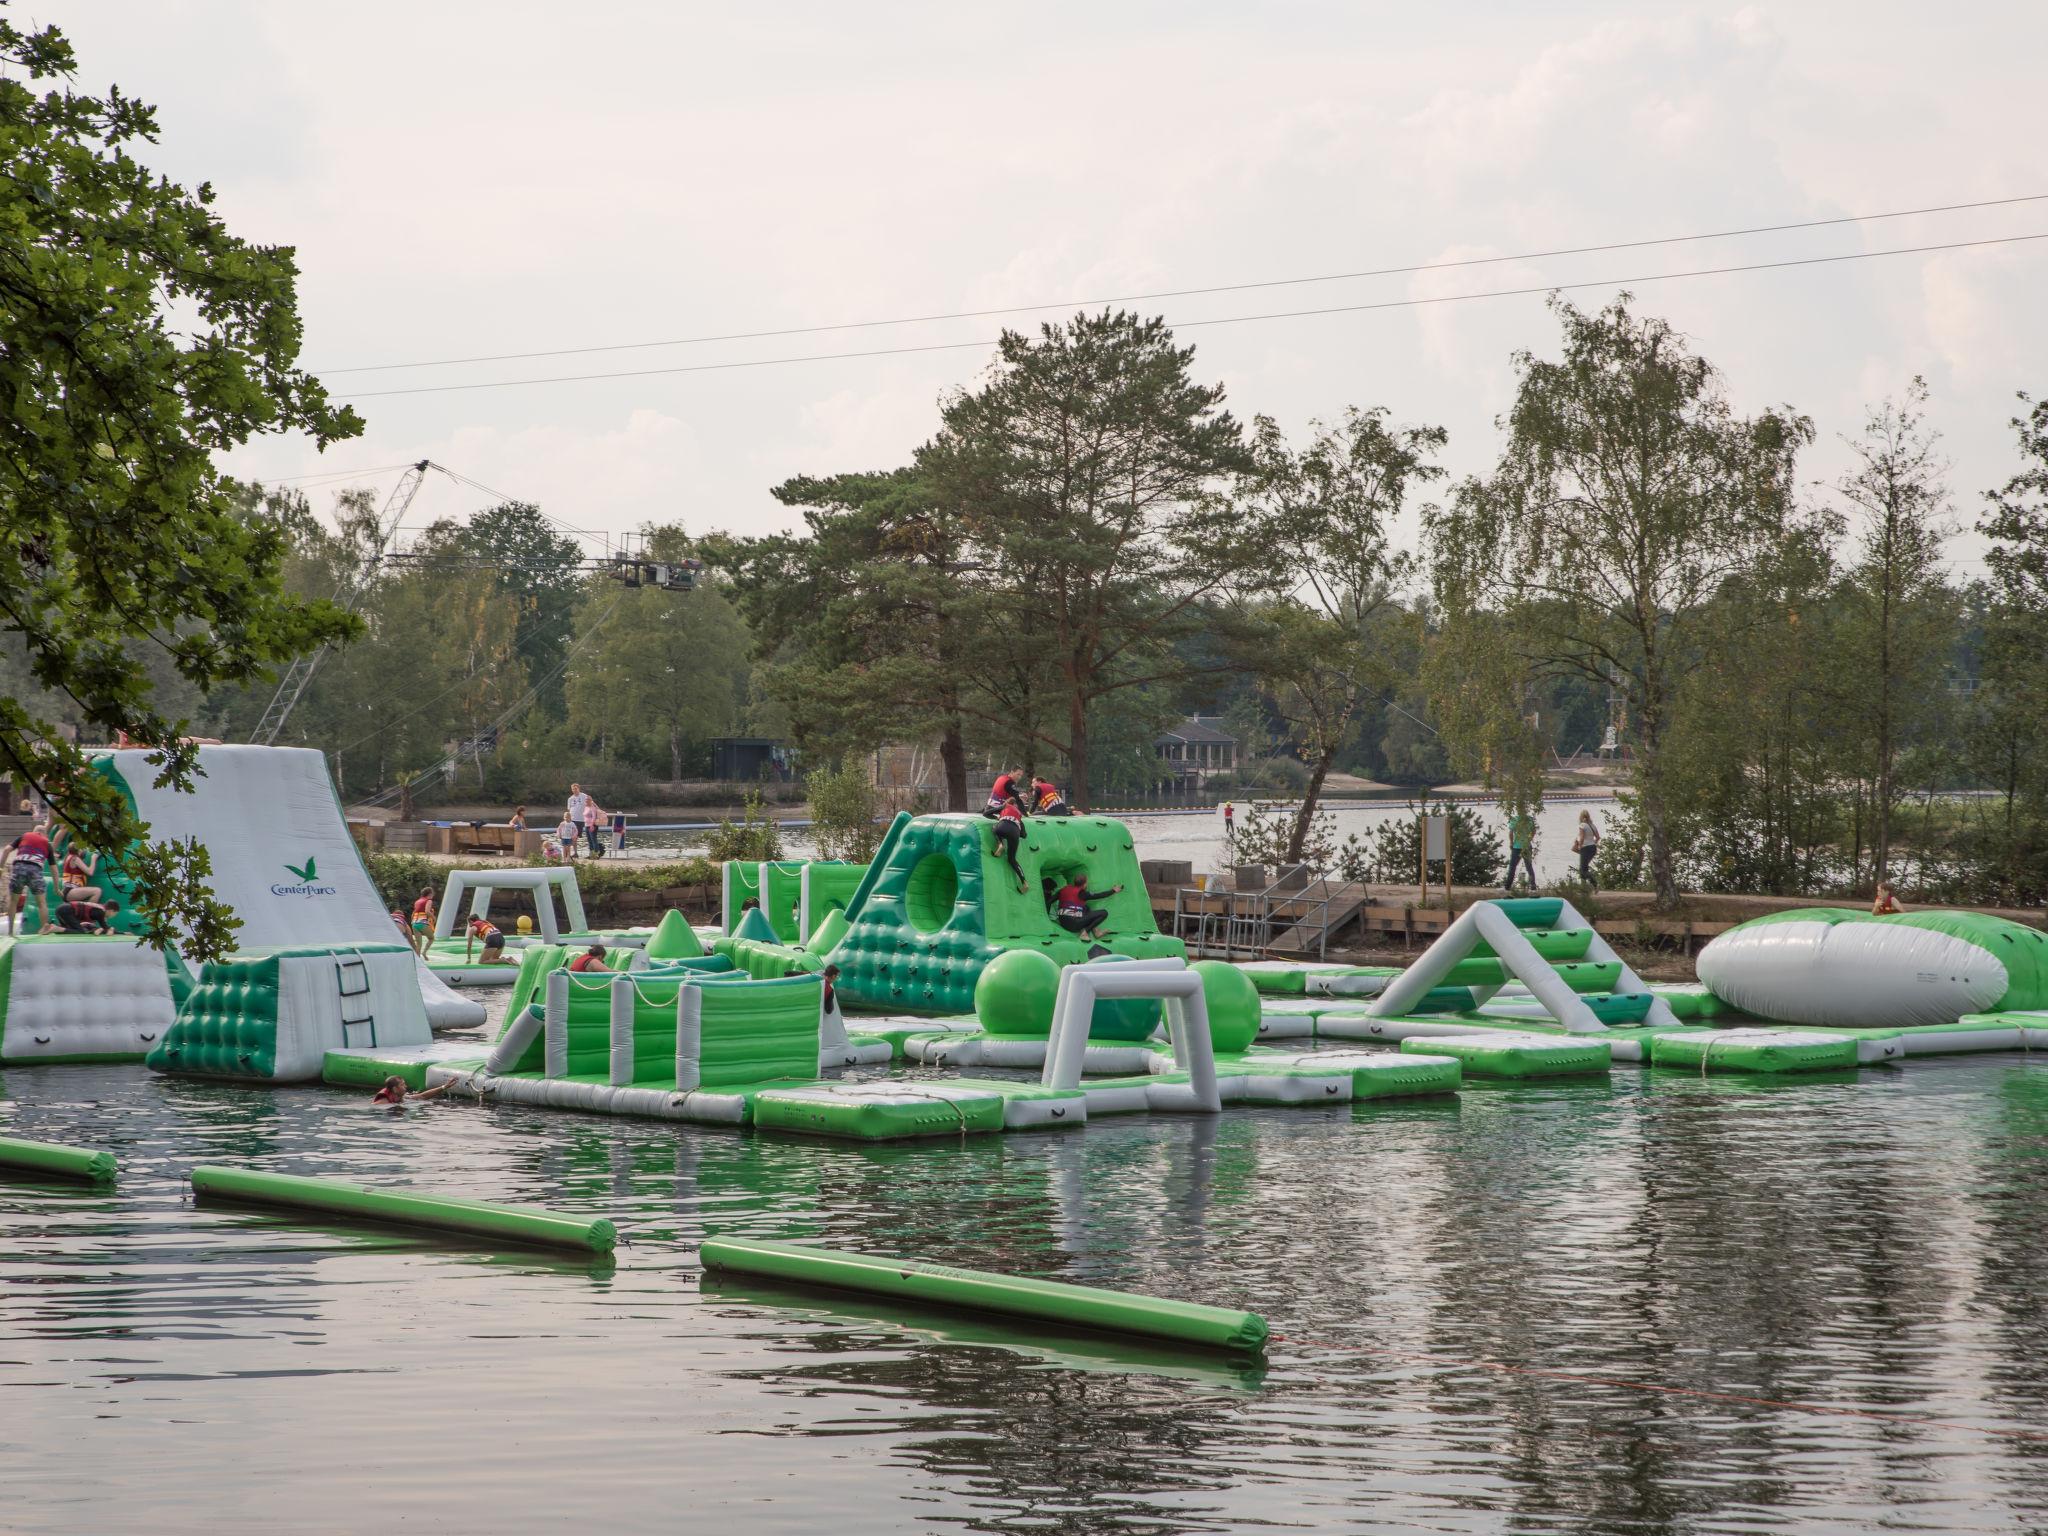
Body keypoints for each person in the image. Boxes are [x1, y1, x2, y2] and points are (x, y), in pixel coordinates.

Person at [5, 823, 53, 935]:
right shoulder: (46, 843)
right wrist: (56, 887)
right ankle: (44, 930)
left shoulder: (24, 836)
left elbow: (7, 850)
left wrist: (1, 869)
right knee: (41, 903)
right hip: (35, 870)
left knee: (13, 901)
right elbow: (54, 870)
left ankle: (10, 932)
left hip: (19, 867)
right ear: (43, 834)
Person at [1052, 877, 1122, 942]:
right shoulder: (1083, 894)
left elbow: (1050, 901)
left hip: (1063, 923)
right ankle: (1085, 932)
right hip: (1074, 925)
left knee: (1086, 907)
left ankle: (1096, 930)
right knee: (1104, 913)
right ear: (1084, 884)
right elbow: (1100, 895)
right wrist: (1113, 891)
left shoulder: (1063, 890)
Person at [990, 795, 1028, 893]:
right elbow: (1024, 835)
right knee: (1012, 859)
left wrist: (998, 818)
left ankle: (1000, 844)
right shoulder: (1019, 815)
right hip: (1015, 833)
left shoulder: (1005, 806)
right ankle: (1024, 882)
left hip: (1002, 827)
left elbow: (986, 813)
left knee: (994, 828)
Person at [1503, 809, 1536, 892]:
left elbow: (1511, 832)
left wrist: (1511, 843)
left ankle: (1507, 887)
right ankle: (1533, 887)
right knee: (1529, 866)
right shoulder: (1530, 820)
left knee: (1512, 867)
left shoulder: (1515, 819)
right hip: (1527, 846)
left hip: (1517, 847)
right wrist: (1529, 839)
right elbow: (1534, 831)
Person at [371, 1074, 453, 1106]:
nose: (406, 1086)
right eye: (402, 1085)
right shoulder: (383, 1102)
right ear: (395, 1089)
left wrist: (444, 1087)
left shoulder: (402, 1097)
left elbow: (422, 1096)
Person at [54, 896, 118, 933]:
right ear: (111, 911)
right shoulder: (101, 912)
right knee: (80, 930)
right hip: (66, 910)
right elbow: (105, 927)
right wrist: (118, 931)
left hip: (61, 908)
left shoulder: (99, 908)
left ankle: (50, 927)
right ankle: (56, 928)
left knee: (68, 928)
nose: (113, 916)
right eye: (114, 914)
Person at [1570, 809, 1600, 889]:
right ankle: (1583, 888)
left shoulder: (1582, 825)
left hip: (1585, 848)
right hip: (1593, 848)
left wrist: (1580, 846)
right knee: (1584, 868)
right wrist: (1592, 843)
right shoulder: (1592, 825)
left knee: (1583, 870)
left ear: (1581, 817)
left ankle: (1595, 883)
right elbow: (1598, 837)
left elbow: (1582, 837)